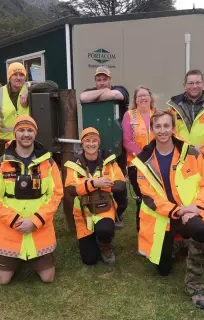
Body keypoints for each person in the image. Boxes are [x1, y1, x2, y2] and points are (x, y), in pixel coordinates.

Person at [132, 110, 204, 309]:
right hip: (165, 216)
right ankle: (179, 244)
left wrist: (196, 207)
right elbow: (149, 198)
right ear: (152, 130)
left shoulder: (191, 152)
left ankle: (194, 285)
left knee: (200, 230)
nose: (162, 130)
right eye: (158, 126)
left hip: (192, 212)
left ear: (173, 128)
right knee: (163, 270)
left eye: (166, 126)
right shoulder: (142, 161)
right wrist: (178, 211)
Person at [0, 116, 63, 284]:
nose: (26, 134)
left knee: (48, 278)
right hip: (11, 230)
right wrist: (15, 221)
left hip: (40, 229)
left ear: (35, 134)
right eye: (21, 130)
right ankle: (17, 259)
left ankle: (33, 259)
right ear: (15, 134)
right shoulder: (1, 164)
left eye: (30, 130)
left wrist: (36, 221)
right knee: (2, 280)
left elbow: (56, 195)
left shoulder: (49, 163)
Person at [167, 69, 204, 259]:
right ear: (184, 85)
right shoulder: (174, 107)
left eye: (198, 82)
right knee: (181, 198)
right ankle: (182, 238)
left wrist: (202, 148)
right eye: (190, 83)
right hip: (182, 163)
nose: (194, 86)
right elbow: (171, 131)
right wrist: (186, 149)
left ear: (203, 83)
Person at [64, 127, 126, 265]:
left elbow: (121, 184)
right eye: (87, 141)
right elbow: (70, 189)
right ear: (82, 144)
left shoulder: (109, 161)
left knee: (104, 229)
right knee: (90, 259)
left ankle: (105, 245)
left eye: (94, 141)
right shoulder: (73, 164)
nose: (91, 144)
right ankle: (92, 239)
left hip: (104, 208)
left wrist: (102, 185)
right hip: (83, 212)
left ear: (99, 143)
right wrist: (95, 183)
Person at [79, 66, 130, 228]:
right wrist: (102, 93)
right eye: (99, 80)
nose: (101, 83)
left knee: (118, 181)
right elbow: (82, 97)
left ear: (110, 79)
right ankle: (98, 208)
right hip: (95, 145)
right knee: (96, 177)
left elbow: (116, 95)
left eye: (105, 79)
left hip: (117, 145)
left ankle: (119, 212)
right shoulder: (90, 91)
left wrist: (98, 95)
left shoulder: (120, 89)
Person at [121, 85, 155, 232]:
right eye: (139, 96)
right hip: (137, 164)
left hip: (157, 163)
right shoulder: (129, 115)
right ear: (135, 100)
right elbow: (127, 140)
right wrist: (143, 157)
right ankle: (142, 229)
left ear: (150, 98)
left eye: (145, 95)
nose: (142, 98)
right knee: (142, 197)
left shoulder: (158, 114)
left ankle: (156, 227)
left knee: (157, 197)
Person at [0, 62, 30, 159]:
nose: (18, 78)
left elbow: (52, 85)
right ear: (9, 77)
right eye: (15, 75)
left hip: (25, 142)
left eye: (21, 75)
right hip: (3, 144)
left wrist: (30, 89)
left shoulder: (30, 89)